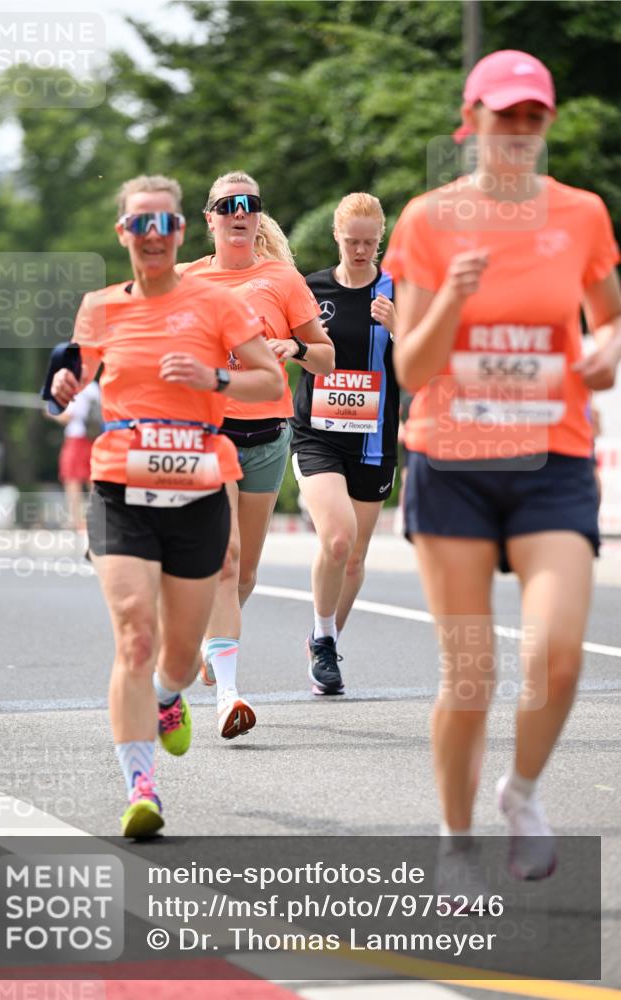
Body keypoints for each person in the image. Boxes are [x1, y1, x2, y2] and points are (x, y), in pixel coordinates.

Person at [384, 50, 621, 880]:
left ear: (545, 124)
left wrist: (604, 351)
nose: (518, 130)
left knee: (557, 655)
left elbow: (608, 321)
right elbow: (411, 371)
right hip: (451, 460)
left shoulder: (582, 214)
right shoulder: (426, 219)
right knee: (470, 673)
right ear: (471, 120)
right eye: (502, 114)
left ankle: (520, 792)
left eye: (532, 116)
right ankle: (455, 842)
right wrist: (450, 296)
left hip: (550, 457)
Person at [49, 174, 283, 837]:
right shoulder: (100, 307)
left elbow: (268, 376)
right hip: (122, 487)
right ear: (124, 234)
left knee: (178, 657)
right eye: (139, 225)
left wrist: (215, 377)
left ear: (180, 233)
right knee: (133, 632)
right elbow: (72, 378)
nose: (152, 237)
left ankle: (168, 697)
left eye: (164, 225)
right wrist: (63, 389)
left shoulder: (215, 304)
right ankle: (140, 788)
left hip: (198, 492)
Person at [177, 171, 334, 738]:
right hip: (208, 431)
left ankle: (208, 642)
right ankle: (230, 696)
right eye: (228, 205)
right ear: (211, 218)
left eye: (250, 205)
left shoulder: (283, 278)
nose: (240, 212)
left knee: (243, 575)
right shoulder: (187, 278)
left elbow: (326, 357)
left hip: (268, 434)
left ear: (257, 216)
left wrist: (293, 345)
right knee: (224, 558)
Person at [289, 193, 399, 694]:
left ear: (381, 240)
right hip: (317, 434)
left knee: (354, 557)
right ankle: (326, 642)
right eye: (352, 241)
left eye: (370, 243)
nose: (360, 251)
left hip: (374, 440)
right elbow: (281, 346)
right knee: (336, 537)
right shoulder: (310, 289)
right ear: (337, 235)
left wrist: (401, 326)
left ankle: (323, 639)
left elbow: (426, 357)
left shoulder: (398, 291)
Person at [46, 380, 100, 529]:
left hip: (76, 438)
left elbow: (68, 416)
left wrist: (50, 412)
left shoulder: (74, 387)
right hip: (94, 438)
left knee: (72, 479)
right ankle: (95, 519)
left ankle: (75, 520)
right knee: (93, 480)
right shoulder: (94, 387)